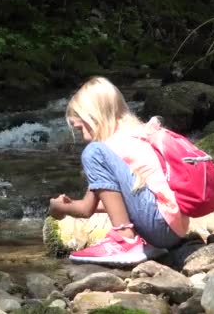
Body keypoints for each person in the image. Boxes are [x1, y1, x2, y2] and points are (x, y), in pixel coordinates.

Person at [49, 76, 188, 264]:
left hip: (159, 223)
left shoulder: (109, 146)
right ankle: (138, 242)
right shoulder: (138, 134)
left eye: (81, 128)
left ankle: (124, 239)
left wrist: (58, 209)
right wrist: (69, 205)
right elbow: (113, 202)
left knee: (92, 152)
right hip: (173, 232)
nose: (83, 136)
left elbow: (85, 209)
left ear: (93, 117)